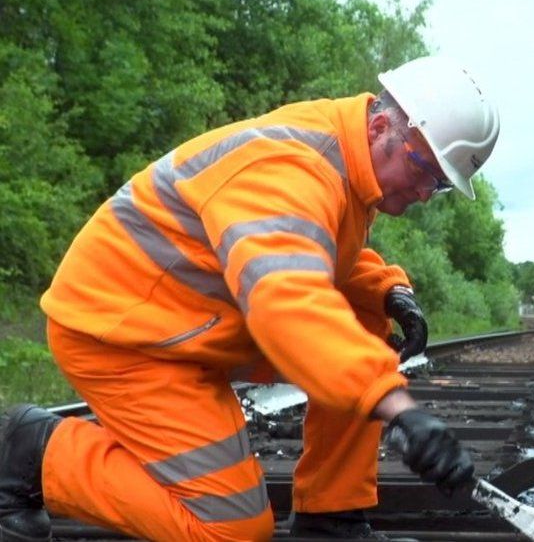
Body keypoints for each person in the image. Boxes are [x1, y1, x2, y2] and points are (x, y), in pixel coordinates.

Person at [0, 55, 500, 542]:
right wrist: (395, 404)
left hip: (185, 323)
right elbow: (287, 298)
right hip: (121, 333)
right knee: (231, 531)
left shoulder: (345, 161)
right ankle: (33, 453)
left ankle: (332, 518)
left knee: (363, 315)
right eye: (422, 169)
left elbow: (315, 249)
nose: (421, 192)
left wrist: (386, 288)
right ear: (380, 128)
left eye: (438, 185)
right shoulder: (293, 167)